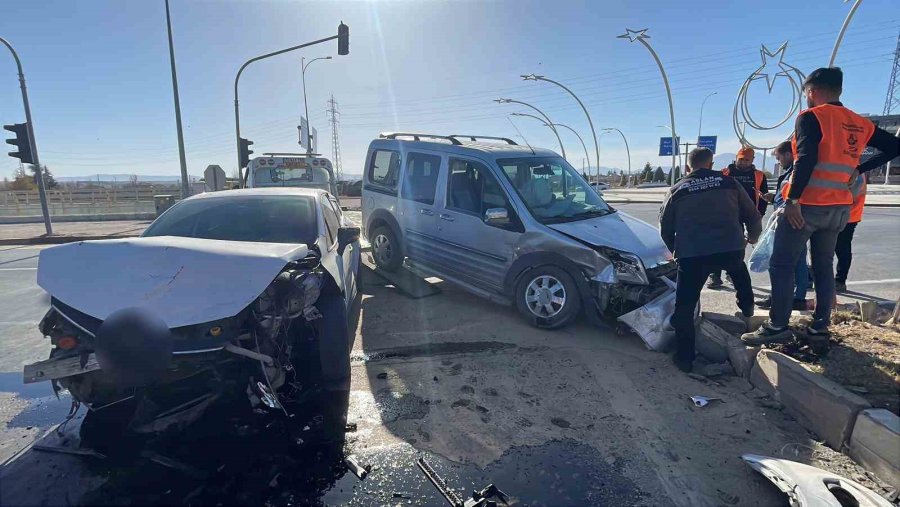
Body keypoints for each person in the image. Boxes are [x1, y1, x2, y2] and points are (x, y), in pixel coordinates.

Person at [743, 67, 900, 346]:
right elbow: (895, 147)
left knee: (781, 264)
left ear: (812, 91)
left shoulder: (811, 117)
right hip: (839, 207)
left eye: (806, 93)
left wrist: (793, 200)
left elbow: (805, 159)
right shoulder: (859, 123)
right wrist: (860, 168)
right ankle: (819, 329)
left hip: (807, 206)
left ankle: (777, 326)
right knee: (824, 267)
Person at [660, 147, 762, 373]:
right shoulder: (729, 183)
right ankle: (747, 311)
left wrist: (677, 251)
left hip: (693, 254)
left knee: (684, 306)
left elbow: (665, 227)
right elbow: (752, 215)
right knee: (740, 276)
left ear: (688, 167)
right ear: (711, 164)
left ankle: (684, 359)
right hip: (730, 247)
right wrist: (752, 237)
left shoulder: (677, 189)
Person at [755, 141, 810, 311]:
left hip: (792, 220)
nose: (778, 162)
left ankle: (783, 299)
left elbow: (796, 197)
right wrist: (773, 198)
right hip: (790, 219)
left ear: (788, 154)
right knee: (797, 261)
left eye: (779, 158)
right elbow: (787, 195)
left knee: (781, 262)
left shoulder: (797, 172)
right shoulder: (791, 172)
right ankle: (794, 297)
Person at [707, 145, 769, 288]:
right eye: (741, 159)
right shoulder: (725, 173)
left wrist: (760, 214)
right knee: (717, 244)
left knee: (738, 246)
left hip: (748, 214)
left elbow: (764, 197)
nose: (743, 162)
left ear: (752, 160)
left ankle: (732, 273)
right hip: (726, 215)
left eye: (747, 160)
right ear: (736, 158)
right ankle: (715, 275)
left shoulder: (759, 176)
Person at [834, 172, 866, 292]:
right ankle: (838, 280)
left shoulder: (855, 172)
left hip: (848, 216)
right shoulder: (853, 170)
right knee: (837, 248)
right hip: (845, 214)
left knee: (842, 248)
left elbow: (849, 194)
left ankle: (840, 280)